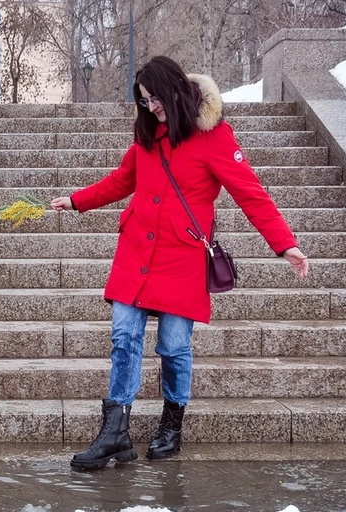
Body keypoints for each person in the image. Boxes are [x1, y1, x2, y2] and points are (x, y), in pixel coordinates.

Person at [51, 56, 309, 471]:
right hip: (137, 252)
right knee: (123, 338)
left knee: (173, 347)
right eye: (144, 102)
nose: (151, 108)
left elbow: (252, 194)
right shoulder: (147, 135)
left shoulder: (215, 136)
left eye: (155, 98)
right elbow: (123, 180)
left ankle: (171, 423)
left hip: (183, 257)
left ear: (174, 89)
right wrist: (78, 199)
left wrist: (285, 245)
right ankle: (114, 432)